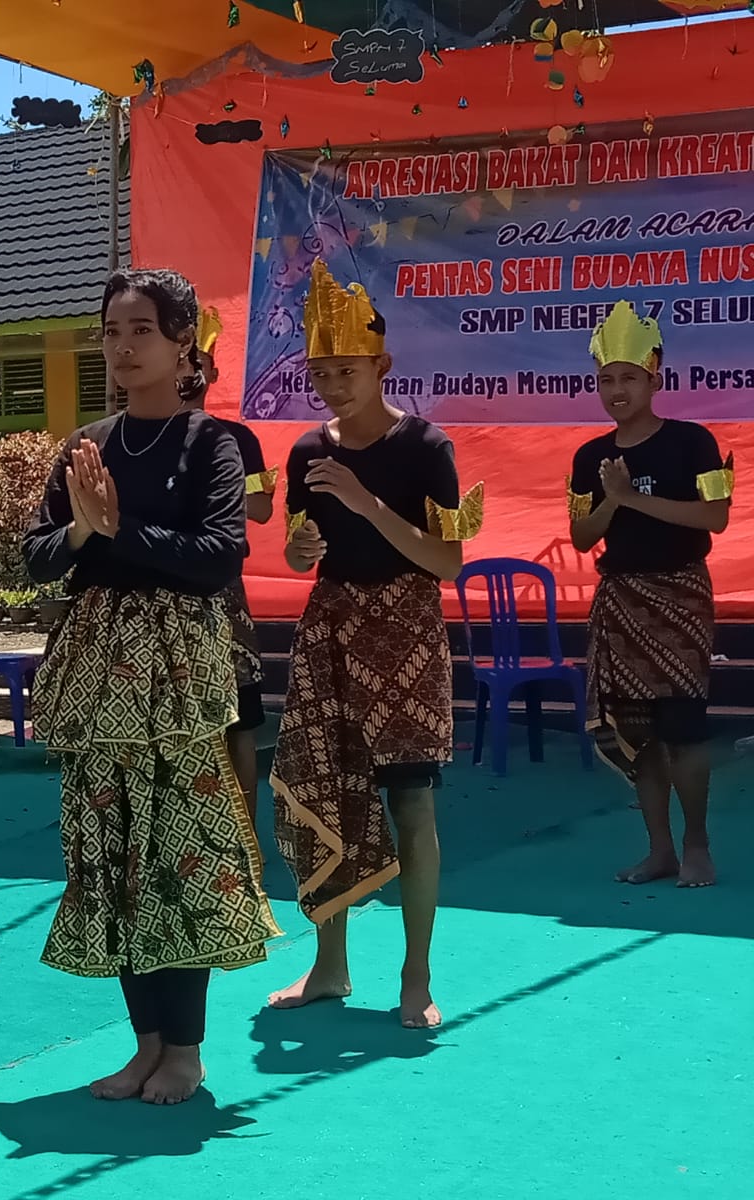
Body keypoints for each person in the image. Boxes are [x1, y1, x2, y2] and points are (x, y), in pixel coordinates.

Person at [24, 269, 281, 1106]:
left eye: (141, 330)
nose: (122, 347)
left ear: (183, 347)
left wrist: (117, 531)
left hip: (178, 675)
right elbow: (34, 556)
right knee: (114, 855)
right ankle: (143, 1044)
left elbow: (217, 554)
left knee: (179, 854)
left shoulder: (213, 443)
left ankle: (187, 1050)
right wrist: (79, 529)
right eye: (111, 331)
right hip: (99, 673)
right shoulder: (85, 443)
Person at [268, 260, 482, 1030]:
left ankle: (416, 975)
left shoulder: (425, 446)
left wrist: (365, 500)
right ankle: (330, 964)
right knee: (324, 787)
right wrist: (298, 552)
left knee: (409, 802)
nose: (332, 383)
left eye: (346, 369)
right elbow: (304, 549)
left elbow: (447, 561)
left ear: (381, 366)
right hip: (329, 624)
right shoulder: (304, 453)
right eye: (320, 370)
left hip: (405, 633)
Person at [568, 301, 730, 889]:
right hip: (621, 601)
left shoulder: (693, 442)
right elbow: (582, 536)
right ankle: (659, 848)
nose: (616, 390)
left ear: (654, 376)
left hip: (680, 598)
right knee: (637, 734)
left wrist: (633, 497)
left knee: (684, 728)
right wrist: (612, 498)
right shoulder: (591, 457)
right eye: (606, 379)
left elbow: (716, 517)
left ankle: (697, 845)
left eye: (628, 378)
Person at [192, 319, 277, 830]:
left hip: (223, 594)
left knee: (241, 721)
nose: (188, 374)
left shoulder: (236, 437)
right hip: (161, 591)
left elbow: (264, 508)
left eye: (197, 365)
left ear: (212, 371)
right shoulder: (137, 435)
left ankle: (244, 838)